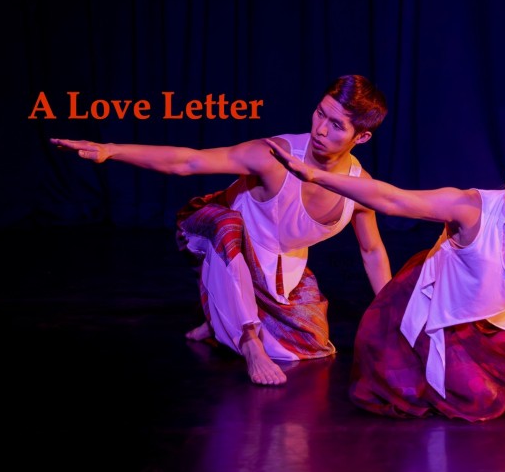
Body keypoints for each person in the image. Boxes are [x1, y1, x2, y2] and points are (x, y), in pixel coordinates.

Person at [266, 124, 505, 422]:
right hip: (436, 309)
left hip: (485, 319)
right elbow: (393, 200)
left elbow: (502, 282)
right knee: (473, 396)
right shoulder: (472, 209)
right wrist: (317, 176)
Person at [51, 75, 392, 387]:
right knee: (229, 226)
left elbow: (372, 251)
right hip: (214, 231)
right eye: (320, 114)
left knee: (312, 346)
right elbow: (189, 161)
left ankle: (216, 322)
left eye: (336, 125)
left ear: (361, 137)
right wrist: (111, 151)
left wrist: (391, 311)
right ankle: (248, 341)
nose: (320, 130)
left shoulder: (359, 189)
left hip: (277, 266)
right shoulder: (274, 155)